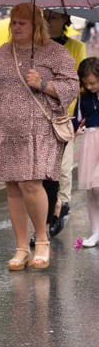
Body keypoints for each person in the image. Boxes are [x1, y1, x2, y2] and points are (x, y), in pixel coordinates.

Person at [0, 3, 80, 271]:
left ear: (36, 25)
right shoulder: (2, 52)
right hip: (6, 131)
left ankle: (41, 240)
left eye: (22, 23)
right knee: (13, 187)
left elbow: (72, 85)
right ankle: (20, 248)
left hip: (38, 129)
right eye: (13, 22)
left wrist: (42, 83)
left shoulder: (55, 52)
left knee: (30, 183)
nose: (15, 27)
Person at [38, 9, 87, 242]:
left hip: (64, 117)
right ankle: (49, 216)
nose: (48, 21)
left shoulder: (76, 48)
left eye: (54, 17)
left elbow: (79, 84)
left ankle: (62, 205)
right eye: (45, 16)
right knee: (41, 173)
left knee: (63, 168)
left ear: (66, 20)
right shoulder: (36, 46)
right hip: (38, 115)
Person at [74, 58, 99, 246]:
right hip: (90, 141)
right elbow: (77, 119)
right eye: (86, 83)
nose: (90, 86)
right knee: (90, 190)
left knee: (98, 185)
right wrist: (72, 129)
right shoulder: (83, 97)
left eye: (93, 82)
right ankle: (95, 231)